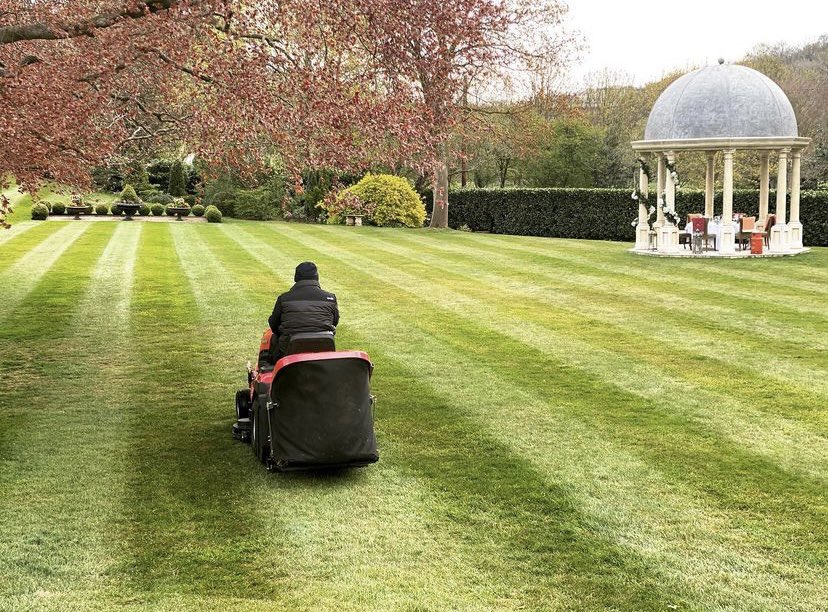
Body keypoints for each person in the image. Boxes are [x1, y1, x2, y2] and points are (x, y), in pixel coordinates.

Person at [268, 261, 339, 358]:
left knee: (272, 338)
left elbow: (273, 324)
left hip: (289, 349)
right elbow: (334, 322)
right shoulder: (330, 298)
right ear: (316, 277)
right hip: (323, 347)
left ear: (296, 277)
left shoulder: (284, 298)